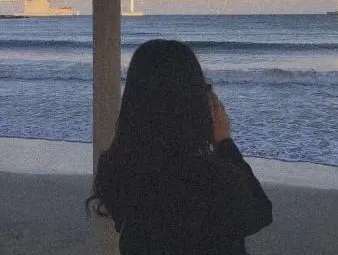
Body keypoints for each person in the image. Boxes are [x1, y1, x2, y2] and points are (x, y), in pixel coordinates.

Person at [86, 39, 273, 254]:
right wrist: (224, 143)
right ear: (195, 103)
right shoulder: (211, 177)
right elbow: (260, 213)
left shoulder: (117, 168)